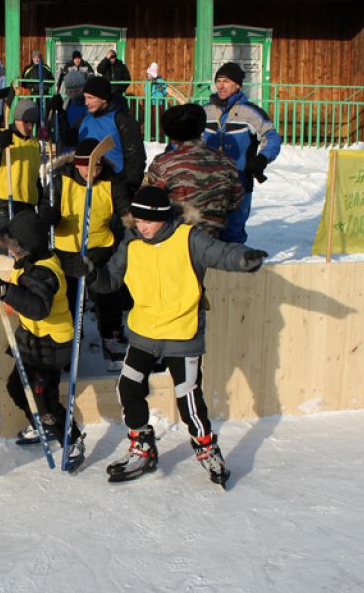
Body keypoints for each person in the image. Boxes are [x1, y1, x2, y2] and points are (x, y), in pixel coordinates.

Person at [86, 186, 268, 487]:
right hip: (145, 330)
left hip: (182, 332)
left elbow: (222, 253)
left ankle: (207, 449)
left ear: (162, 218)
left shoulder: (189, 239)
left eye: (146, 221)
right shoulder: (131, 244)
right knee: (128, 388)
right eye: (137, 220)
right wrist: (92, 274)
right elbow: (110, 281)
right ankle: (142, 447)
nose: (140, 226)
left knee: (188, 398)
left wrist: (245, 258)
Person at [0, 211, 85, 471]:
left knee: (46, 400)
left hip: (49, 347)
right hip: (32, 341)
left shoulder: (43, 273)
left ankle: (70, 439)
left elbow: (39, 308)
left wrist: (7, 291)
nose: (11, 253)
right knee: (17, 388)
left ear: (25, 247)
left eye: (13, 248)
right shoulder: (31, 263)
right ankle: (42, 425)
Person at [47, 137, 131, 371]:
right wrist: (50, 217)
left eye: (97, 166)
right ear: (77, 165)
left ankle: (111, 337)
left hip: (100, 248)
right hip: (68, 251)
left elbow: (125, 210)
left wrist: (133, 227)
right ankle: (71, 342)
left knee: (107, 295)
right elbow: (46, 208)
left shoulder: (111, 182)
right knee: (70, 297)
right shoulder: (60, 182)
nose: (93, 171)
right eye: (88, 166)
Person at [203, 62, 282, 243]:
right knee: (206, 232)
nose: (221, 85)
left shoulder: (251, 112)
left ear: (238, 85)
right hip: (208, 182)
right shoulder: (206, 111)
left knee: (232, 232)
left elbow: (272, 137)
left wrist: (262, 158)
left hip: (239, 181)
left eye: (227, 81)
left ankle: (232, 268)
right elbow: (190, 138)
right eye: (218, 81)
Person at [145, 103, 244, 238]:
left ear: (171, 135)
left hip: (177, 237)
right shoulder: (226, 161)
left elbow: (151, 201)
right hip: (214, 238)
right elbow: (235, 200)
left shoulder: (164, 163)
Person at [0, 99, 41, 266]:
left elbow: (34, 176)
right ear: (16, 120)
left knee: (24, 248)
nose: (29, 127)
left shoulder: (34, 143)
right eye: (25, 122)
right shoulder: (3, 136)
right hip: (4, 202)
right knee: (1, 247)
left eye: (32, 123)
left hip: (27, 203)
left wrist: (41, 199)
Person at [71, 76, 145, 196]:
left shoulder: (121, 119)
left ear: (104, 98)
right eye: (85, 98)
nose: (86, 103)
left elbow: (135, 155)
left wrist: (129, 186)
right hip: (88, 183)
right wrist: (60, 115)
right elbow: (69, 141)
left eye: (90, 98)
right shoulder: (85, 119)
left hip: (115, 184)